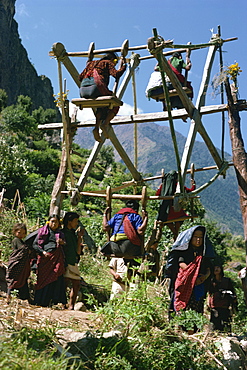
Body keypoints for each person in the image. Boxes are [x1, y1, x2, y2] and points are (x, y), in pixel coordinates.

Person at [167, 225, 214, 321]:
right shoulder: (184, 251)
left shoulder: (204, 253)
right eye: (195, 237)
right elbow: (181, 263)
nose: (198, 240)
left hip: (199, 284)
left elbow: (209, 268)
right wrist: (192, 275)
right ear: (190, 237)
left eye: (200, 237)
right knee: (182, 304)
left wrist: (204, 277)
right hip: (184, 282)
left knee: (196, 305)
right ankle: (179, 327)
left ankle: (192, 330)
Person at [79, 52, 127, 142]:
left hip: (83, 91)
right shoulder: (107, 63)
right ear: (113, 59)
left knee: (102, 105)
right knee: (115, 103)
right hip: (95, 88)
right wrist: (124, 66)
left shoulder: (91, 63)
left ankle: (96, 127)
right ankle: (105, 124)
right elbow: (116, 74)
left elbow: (80, 77)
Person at [102, 199, 148, 279]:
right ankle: (132, 274)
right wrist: (146, 218)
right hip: (129, 247)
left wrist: (105, 214)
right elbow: (140, 231)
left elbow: (105, 227)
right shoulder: (135, 216)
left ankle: (129, 274)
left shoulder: (117, 216)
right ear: (136, 209)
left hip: (115, 247)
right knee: (141, 252)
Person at [33, 215, 67, 308]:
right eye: (52, 221)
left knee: (55, 276)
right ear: (48, 222)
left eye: (56, 222)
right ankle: (39, 301)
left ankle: (50, 301)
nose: (54, 224)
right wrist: (43, 252)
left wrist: (62, 243)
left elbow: (65, 243)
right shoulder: (42, 232)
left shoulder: (60, 234)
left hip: (56, 258)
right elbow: (35, 245)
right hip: (45, 259)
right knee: (42, 280)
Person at [6, 223, 32, 304]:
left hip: (22, 265)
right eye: (19, 232)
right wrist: (28, 249)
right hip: (16, 264)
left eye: (23, 233)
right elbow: (21, 251)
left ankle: (27, 298)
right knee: (13, 280)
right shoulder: (16, 240)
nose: (21, 235)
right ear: (15, 232)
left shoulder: (21, 241)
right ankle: (8, 296)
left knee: (22, 280)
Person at [62, 212, 84, 310]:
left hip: (73, 261)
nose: (76, 223)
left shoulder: (72, 234)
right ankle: (67, 304)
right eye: (75, 221)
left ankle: (70, 305)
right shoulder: (63, 233)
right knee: (71, 282)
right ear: (69, 222)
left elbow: (78, 251)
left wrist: (79, 237)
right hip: (66, 261)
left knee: (74, 283)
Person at [208, 265, 237, 332]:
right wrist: (209, 302)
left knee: (225, 319)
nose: (216, 269)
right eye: (215, 268)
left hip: (225, 303)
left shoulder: (226, 280)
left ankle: (227, 333)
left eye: (218, 267)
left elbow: (232, 291)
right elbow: (209, 292)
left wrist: (233, 300)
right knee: (215, 320)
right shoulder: (211, 281)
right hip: (215, 303)